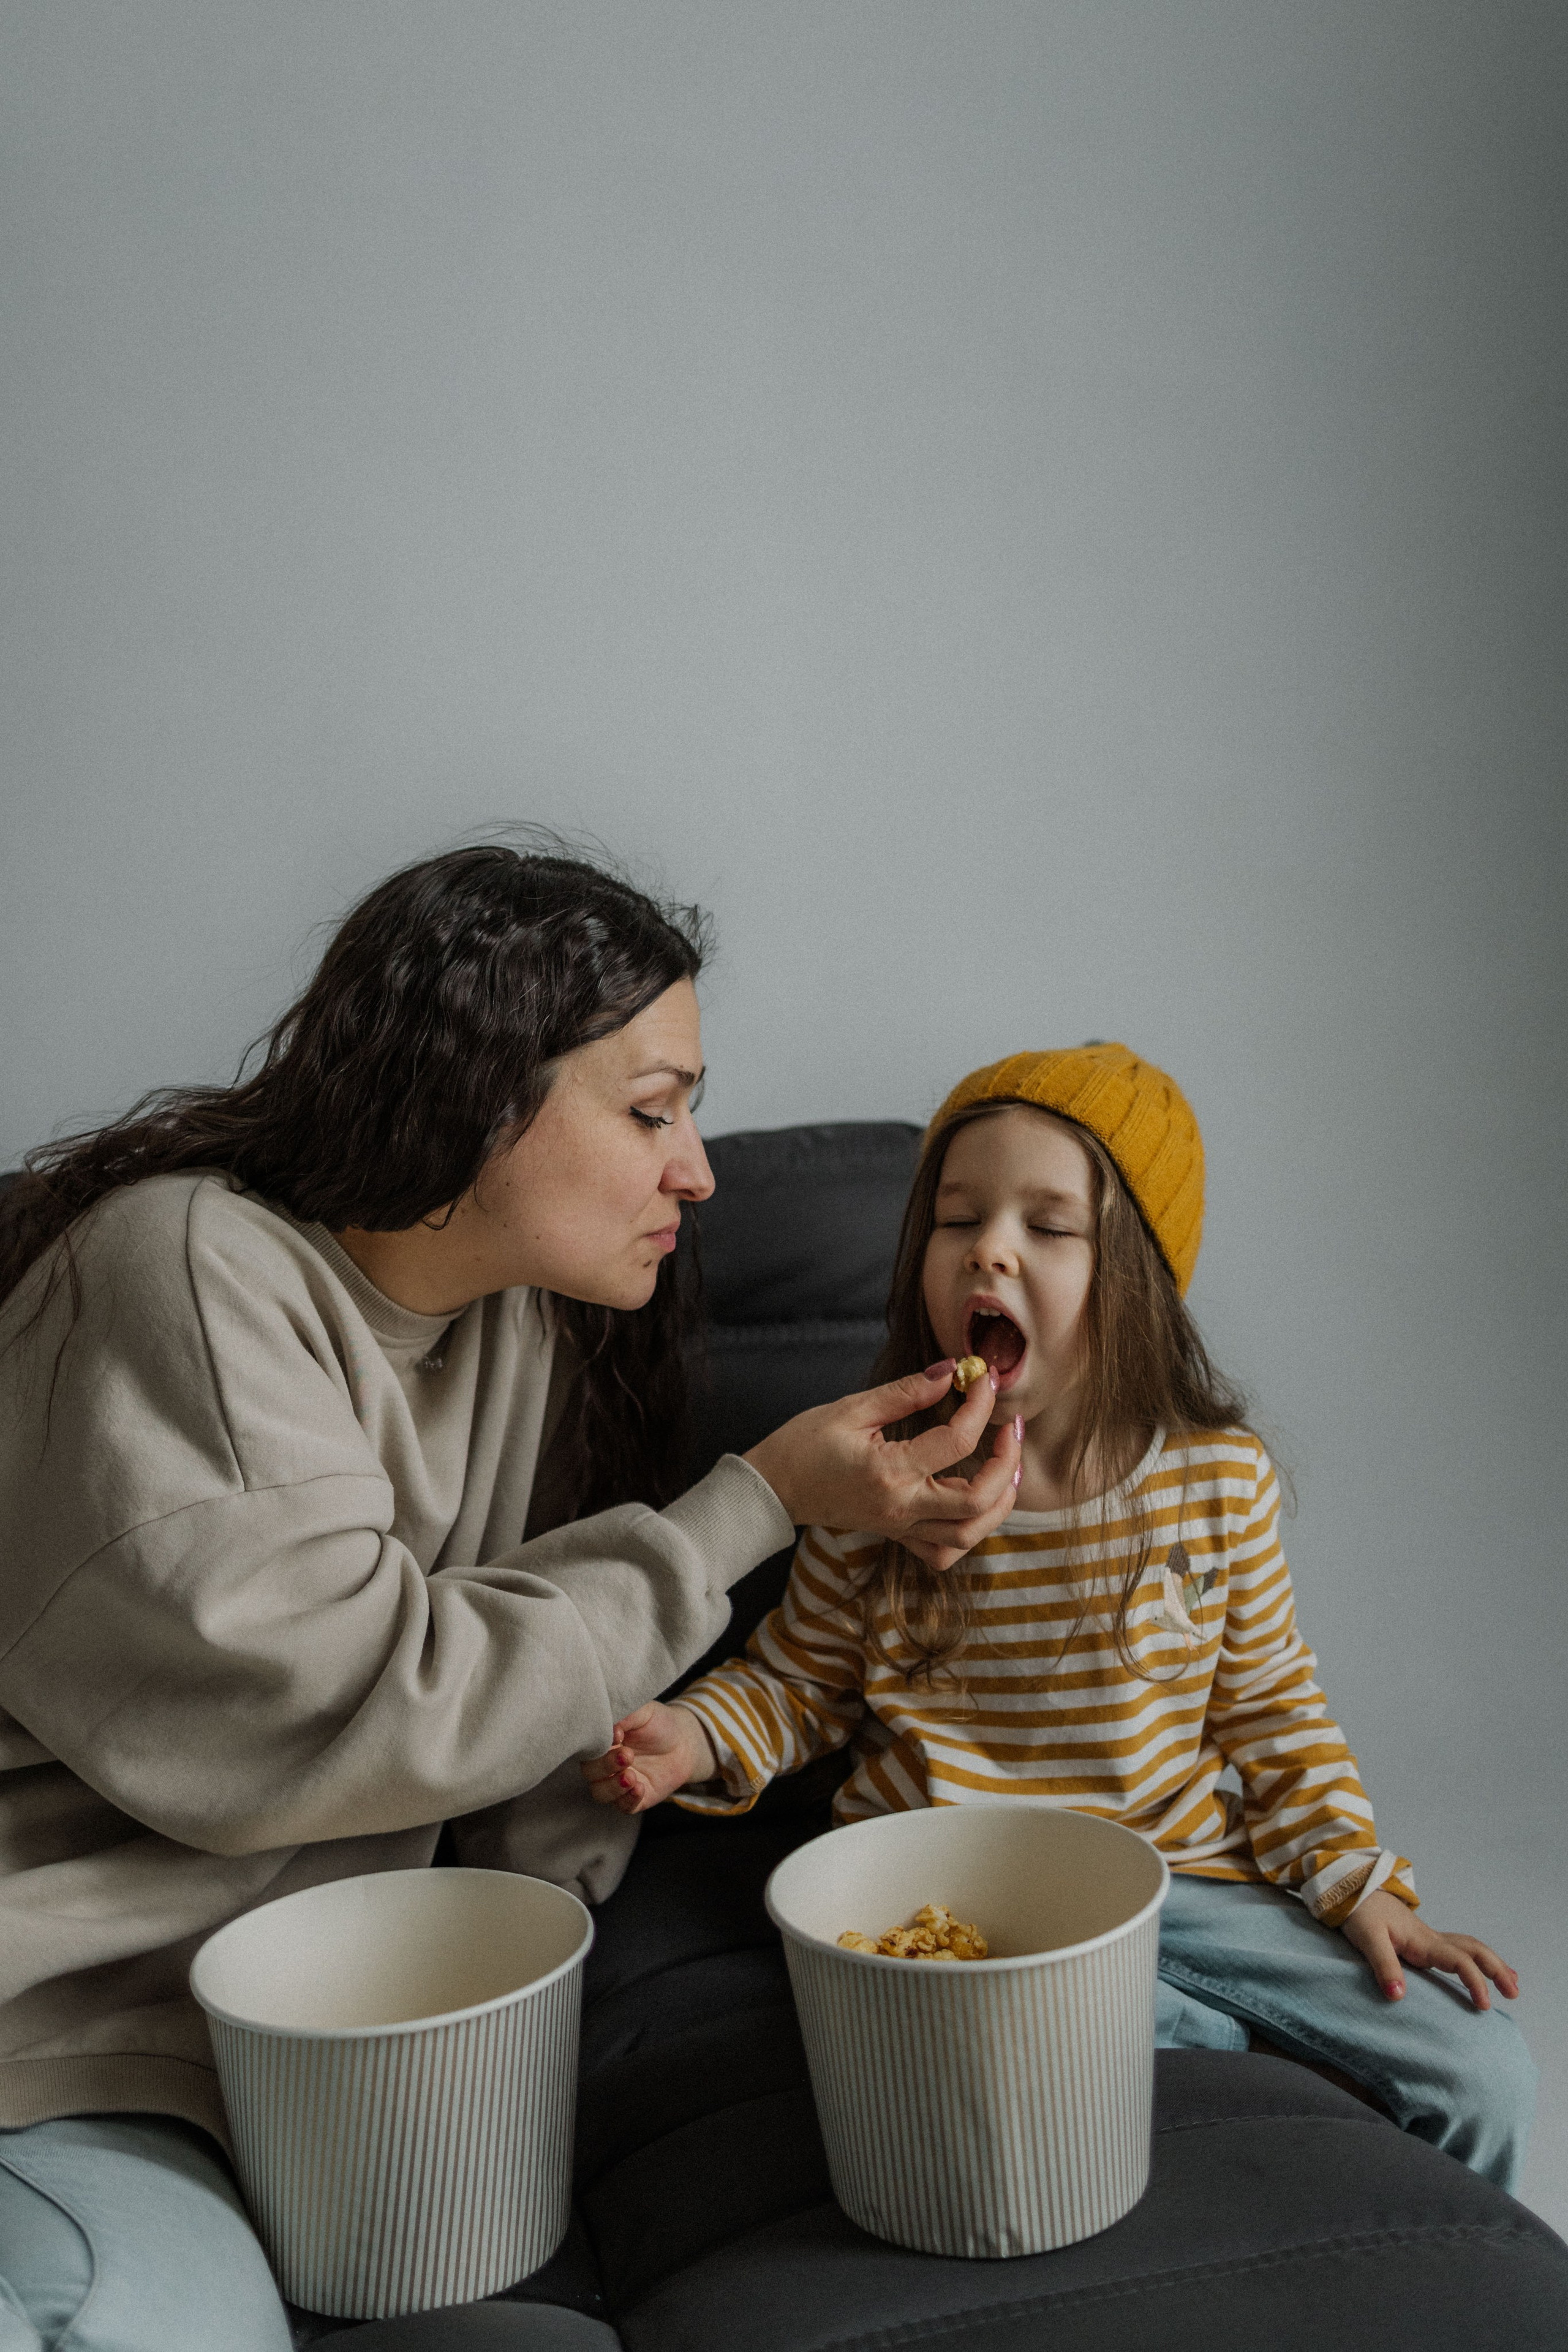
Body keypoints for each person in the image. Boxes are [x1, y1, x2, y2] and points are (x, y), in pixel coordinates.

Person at [0, 845, 1023, 2350]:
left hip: (292, 2056)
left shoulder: (519, 1337)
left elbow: (506, 1723)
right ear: (478, 1093)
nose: (698, 1169)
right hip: (62, 2034)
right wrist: (755, 1504)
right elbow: (343, 1703)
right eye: (651, 1109)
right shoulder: (186, 1267)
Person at [584, 1042, 1537, 2192]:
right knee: (1104, 2055)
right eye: (958, 1220)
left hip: (1180, 1882)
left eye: (1049, 1226)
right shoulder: (875, 1485)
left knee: (1480, 2072)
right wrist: (690, 1736)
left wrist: (1358, 1881)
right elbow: (796, 1686)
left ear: (1131, 1276)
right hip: (953, 1887)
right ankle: (1198, 2052)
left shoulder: (1217, 1484)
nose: (990, 1249)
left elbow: (1274, 1714)